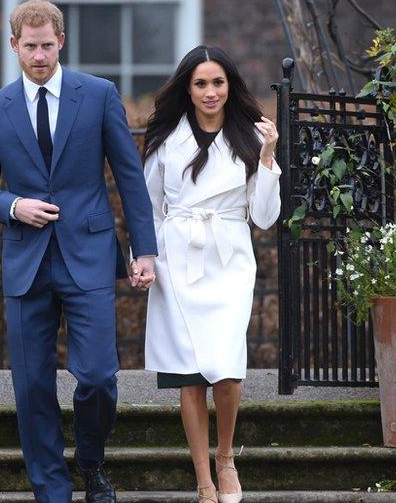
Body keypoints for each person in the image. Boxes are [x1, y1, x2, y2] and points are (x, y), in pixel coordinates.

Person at [0, 0, 158, 503]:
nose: (39, 56)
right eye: (29, 47)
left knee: (97, 376)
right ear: (14, 46)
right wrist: (13, 206)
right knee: (31, 388)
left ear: (61, 42)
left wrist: (145, 250)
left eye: (47, 45)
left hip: (89, 255)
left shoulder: (97, 95)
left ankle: (91, 463)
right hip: (26, 260)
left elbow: (130, 177)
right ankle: (52, 491)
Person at [142, 45, 281, 503]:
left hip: (228, 262)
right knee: (189, 374)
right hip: (176, 262)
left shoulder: (248, 138)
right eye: (200, 83)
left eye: (217, 82)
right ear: (188, 88)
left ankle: (226, 457)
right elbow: (149, 208)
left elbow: (262, 217)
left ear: (229, 86)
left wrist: (267, 159)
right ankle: (203, 479)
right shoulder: (165, 141)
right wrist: (144, 257)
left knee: (227, 369)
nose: (209, 92)